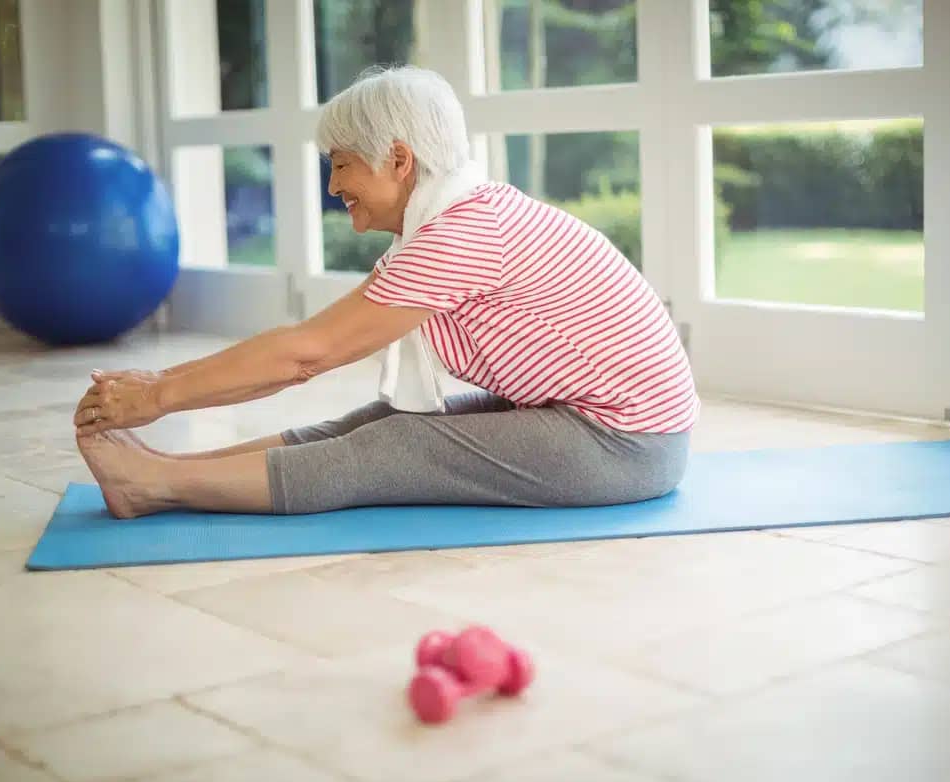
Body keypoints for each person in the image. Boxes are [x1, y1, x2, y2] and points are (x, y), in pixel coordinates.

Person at [73, 65, 699, 519]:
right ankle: (169, 473)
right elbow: (303, 351)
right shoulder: (454, 222)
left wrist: (159, 393)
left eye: (343, 164)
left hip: (628, 444)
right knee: (379, 421)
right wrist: (159, 385)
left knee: (399, 446)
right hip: (601, 425)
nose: (333, 185)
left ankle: (156, 486)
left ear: (398, 160)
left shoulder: (462, 234)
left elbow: (305, 354)